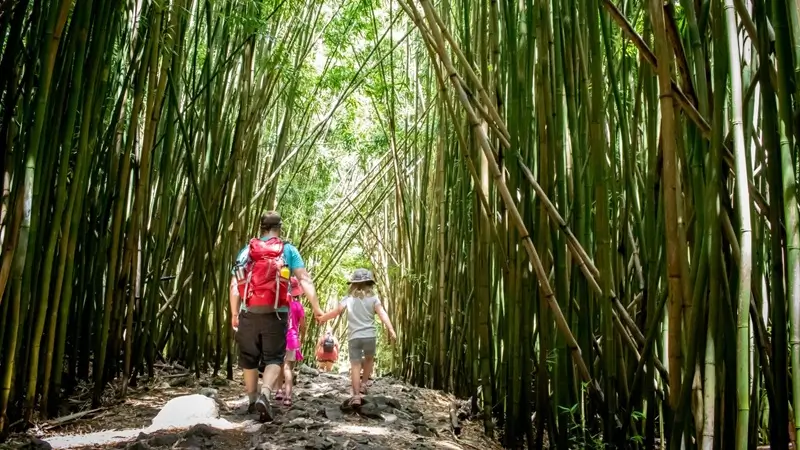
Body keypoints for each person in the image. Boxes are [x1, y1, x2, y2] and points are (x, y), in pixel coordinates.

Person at [229, 211, 323, 422]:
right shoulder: (288, 250)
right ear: (279, 228)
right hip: (277, 313)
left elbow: (235, 285)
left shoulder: (247, 251)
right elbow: (304, 279)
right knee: (274, 358)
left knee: (249, 358)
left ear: (260, 227)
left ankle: (252, 400)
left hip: (249, 311)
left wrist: (235, 312)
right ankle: (266, 394)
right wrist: (316, 308)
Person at [318, 268, 396, 406]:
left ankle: (356, 396)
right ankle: (364, 384)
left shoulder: (348, 299)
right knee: (369, 359)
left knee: (355, 365)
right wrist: (390, 329)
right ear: (370, 284)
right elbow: (382, 313)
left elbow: (336, 312)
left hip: (354, 337)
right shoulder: (373, 298)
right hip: (370, 336)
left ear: (353, 284)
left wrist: (323, 318)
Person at [274, 277, 306, 406]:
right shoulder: (298, 306)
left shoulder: (279, 304)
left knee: (279, 365)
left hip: (279, 338)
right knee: (288, 368)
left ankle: (279, 391)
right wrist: (302, 339)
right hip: (292, 339)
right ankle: (288, 396)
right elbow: (303, 326)